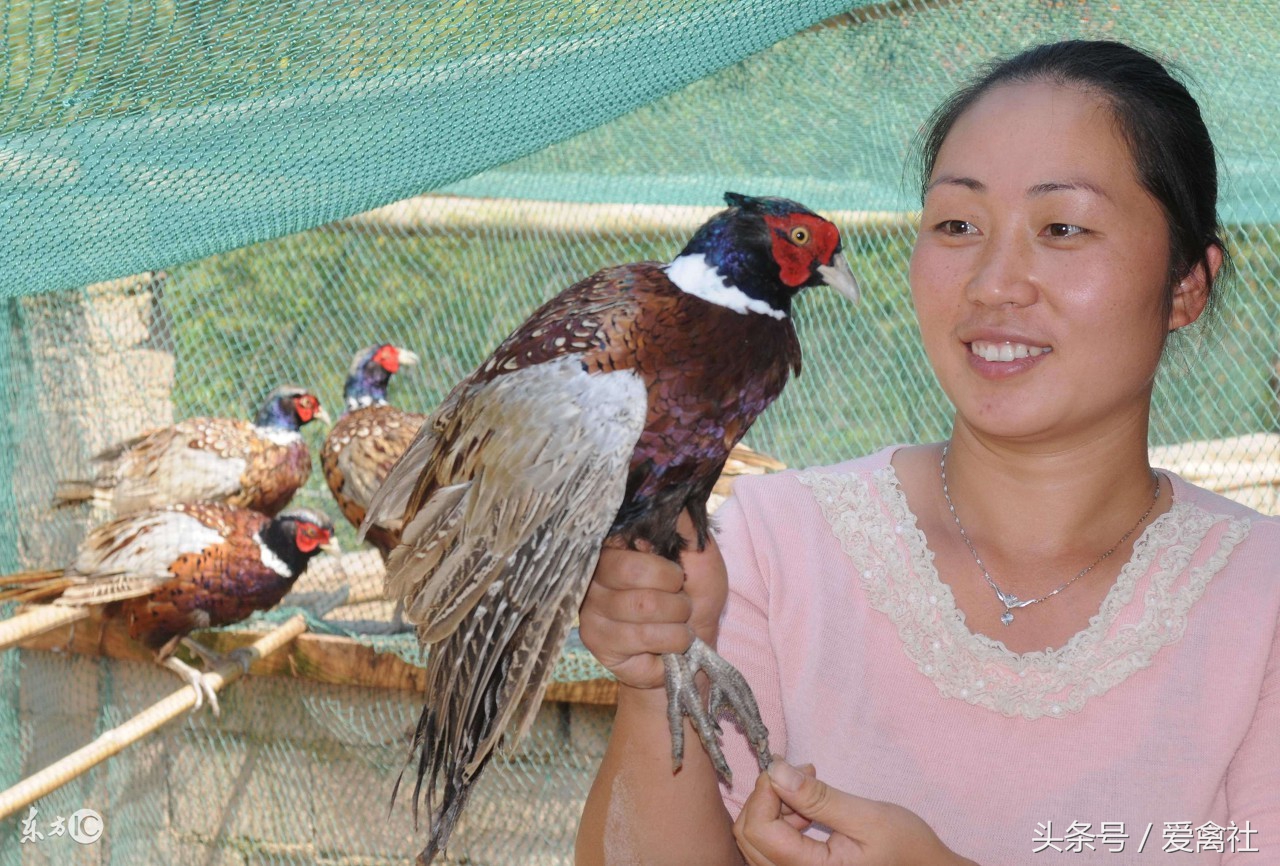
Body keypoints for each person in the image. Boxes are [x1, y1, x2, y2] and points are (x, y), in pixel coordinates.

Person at [574, 39, 1280, 865]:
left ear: (1187, 285)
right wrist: (654, 674)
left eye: (1062, 226)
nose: (993, 282)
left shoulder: (1260, 601)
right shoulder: (773, 547)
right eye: (956, 224)